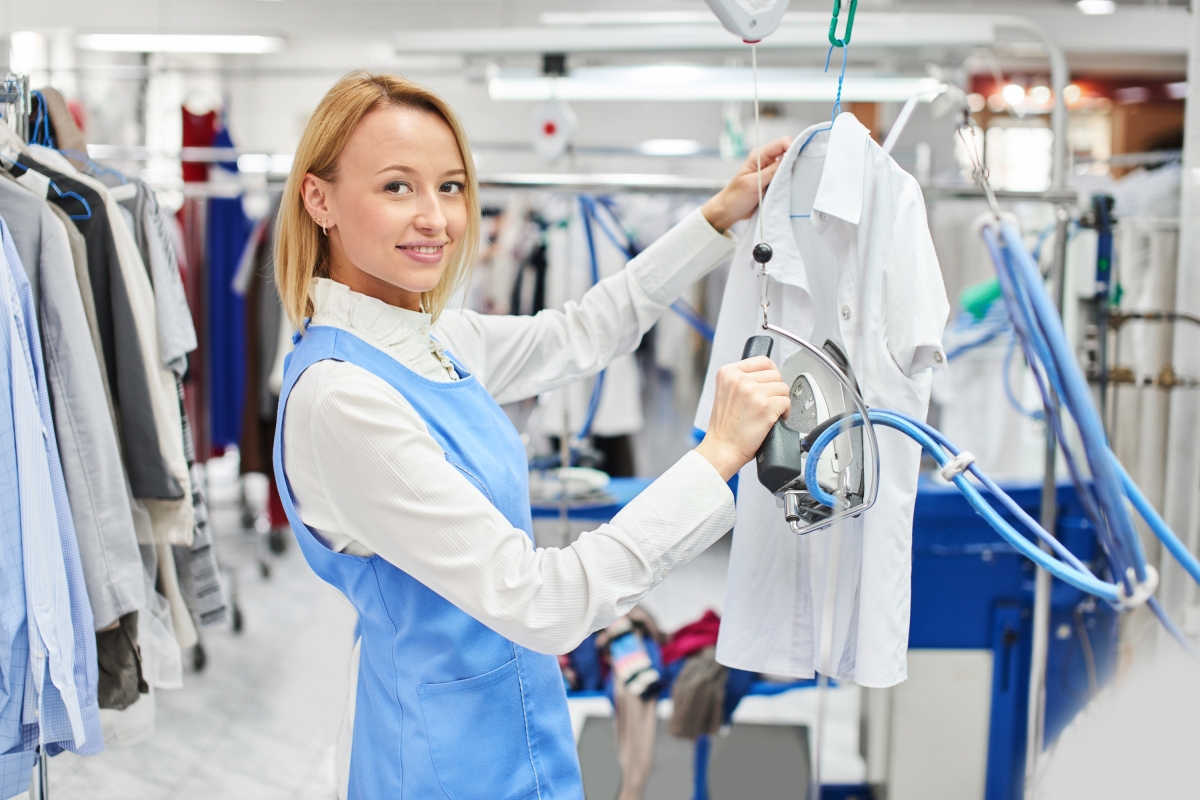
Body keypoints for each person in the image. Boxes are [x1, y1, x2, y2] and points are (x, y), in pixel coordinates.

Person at [272, 70, 792, 799]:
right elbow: (541, 602)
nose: (437, 219)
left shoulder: (432, 339)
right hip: (437, 764)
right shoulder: (343, 399)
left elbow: (579, 333)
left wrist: (715, 222)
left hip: (511, 728)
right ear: (318, 198)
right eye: (397, 187)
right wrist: (715, 459)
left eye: (450, 187)